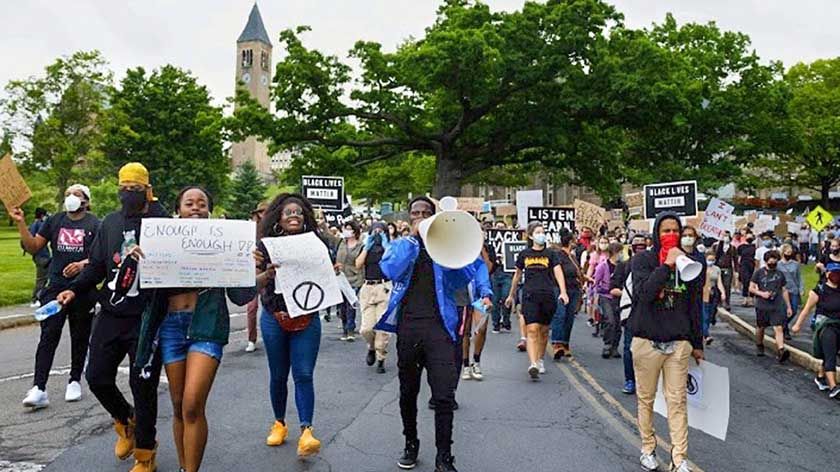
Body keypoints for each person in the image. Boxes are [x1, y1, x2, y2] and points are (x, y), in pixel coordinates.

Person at [134, 187, 256, 472]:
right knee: (178, 406)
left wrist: (247, 267)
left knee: (191, 404)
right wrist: (136, 261)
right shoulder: (159, 242)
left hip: (206, 326)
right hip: (171, 327)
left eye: (202, 204)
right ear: (178, 211)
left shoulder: (223, 242)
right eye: (189, 203)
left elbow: (240, 297)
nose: (196, 208)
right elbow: (139, 290)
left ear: (210, 211)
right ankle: (183, 466)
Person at [56, 163, 167, 472]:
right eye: (124, 188)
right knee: (97, 376)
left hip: (147, 315)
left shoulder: (161, 223)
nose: (127, 194)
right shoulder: (109, 223)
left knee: (142, 384)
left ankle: (146, 453)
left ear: (147, 190)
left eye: (135, 189)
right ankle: (126, 420)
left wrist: (155, 210)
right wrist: (74, 290)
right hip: (113, 312)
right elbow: (97, 267)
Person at [375, 196, 492, 472]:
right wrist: (414, 239)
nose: (421, 216)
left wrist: (482, 290)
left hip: (440, 329)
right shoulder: (404, 245)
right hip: (409, 327)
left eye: (426, 212)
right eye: (416, 213)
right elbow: (389, 268)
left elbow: (468, 272)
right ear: (410, 217)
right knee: (408, 392)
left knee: (443, 395)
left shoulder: (447, 248)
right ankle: (411, 443)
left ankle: (444, 456)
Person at [12, 185, 99, 409]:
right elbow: (33, 246)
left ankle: (74, 381)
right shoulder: (54, 221)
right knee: (49, 335)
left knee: (80, 335)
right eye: (68, 193)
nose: (71, 197)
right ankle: (39, 388)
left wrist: (82, 265)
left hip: (83, 288)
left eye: (77, 195)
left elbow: (102, 258)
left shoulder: (95, 224)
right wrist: (21, 222)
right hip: (55, 287)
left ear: (86, 201)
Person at [629, 212, 703, 472]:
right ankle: (648, 448)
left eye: (675, 230)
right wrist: (666, 267)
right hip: (647, 340)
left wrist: (697, 342)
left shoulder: (691, 262)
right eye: (665, 230)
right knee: (646, 399)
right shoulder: (642, 260)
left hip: (678, 342)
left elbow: (694, 306)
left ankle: (679, 458)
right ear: (656, 234)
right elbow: (644, 294)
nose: (670, 235)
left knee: (677, 400)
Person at [255, 193, 325, 457]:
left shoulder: (317, 243)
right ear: (278, 219)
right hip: (275, 317)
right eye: (288, 213)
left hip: (307, 319)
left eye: (298, 212)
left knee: (304, 374)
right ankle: (279, 423)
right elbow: (252, 282)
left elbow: (326, 277)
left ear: (305, 216)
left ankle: (306, 430)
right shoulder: (264, 247)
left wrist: (335, 270)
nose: (294, 216)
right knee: (278, 375)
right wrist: (265, 273)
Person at [505, 222, 570, 379]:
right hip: (529, 296)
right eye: (538, 232)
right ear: (531, 236)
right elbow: (517, 275)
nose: (541, 234)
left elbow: (558, 272)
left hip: (547, 295)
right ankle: (533, 363)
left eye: (543, 231)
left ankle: (540, 359)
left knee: (544, 330)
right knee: (532, 329)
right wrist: (511, 295)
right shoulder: (524, 254)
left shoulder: (551, 254)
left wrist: (563, 292)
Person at [791, 261, 840, 398]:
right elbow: (806, 310)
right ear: (828, 274)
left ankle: (821, 377)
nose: (837, 276)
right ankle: (833, 387)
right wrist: (798, 325)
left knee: (831, 352)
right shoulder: (819, 290)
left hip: (839, 325)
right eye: (834, 273)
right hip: (826, 326)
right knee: (830, 355)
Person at [610, 235, 648, 395]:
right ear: (631, 247)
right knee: (629, 348)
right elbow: (613, 289)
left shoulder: (652, 266)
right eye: (637, 245)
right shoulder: (624, 267)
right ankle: (630, 380)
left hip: (648, 312)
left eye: (643, 246)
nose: (640, 248)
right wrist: (628, 293)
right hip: (630, 312)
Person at [356, 221, 392, 373]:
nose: (377, 234)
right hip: (368, 287)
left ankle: (381, 357)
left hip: (383, 287)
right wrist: (367, 246)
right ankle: (371, 346)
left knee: (382, 326)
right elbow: (358, 264)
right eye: (374, 231)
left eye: (380, 231)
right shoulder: (367, 247)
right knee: (366, 328)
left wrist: (385, 244)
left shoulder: (390, 248)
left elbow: (391, 262)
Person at [460, 242, 495, 381]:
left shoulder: (477, 259)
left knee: (482, 327)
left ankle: (476, 361)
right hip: (462, 296)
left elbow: (484, 276)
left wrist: (486, 295)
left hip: (478, 296)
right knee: (465, 331)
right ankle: (466, 365)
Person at [749, 250, 793, 362]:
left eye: (775, 261)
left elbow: (784, 290)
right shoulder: (758, 273)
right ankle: (759, 344)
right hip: (762, 305)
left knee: (778, 327)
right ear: (766, 261)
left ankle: (781, 350)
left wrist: (788, 306)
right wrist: (761, 294)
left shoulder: (779, 274)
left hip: (776, 304)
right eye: (771, 261)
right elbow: (751, 288)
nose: (773, 263)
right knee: (761, 327)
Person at [550, 230, 583, 359]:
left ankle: (565, 344)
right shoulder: (558, 255)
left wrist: (585, 278)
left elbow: (576, 271)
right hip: (560, 288)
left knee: (569, 317)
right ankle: (557, 344)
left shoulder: (572, 257)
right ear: (570, 242)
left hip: (573, 289)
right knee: (560, 314)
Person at [335, 220, 364, 342]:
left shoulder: (361, 245)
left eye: (349, 228)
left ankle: (350, 329)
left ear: (355, 231)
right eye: (345, 228)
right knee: (342, 305)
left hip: (354, 278)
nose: (346, 231)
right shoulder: (341, 242)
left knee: (350, 304)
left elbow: (360, 263)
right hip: (340, 277)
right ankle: (344, 328)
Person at [245, 202, 268, 352]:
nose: (264, 214)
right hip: (252, 270)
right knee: (251, 307)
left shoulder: (274, 228)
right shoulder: (250, 230)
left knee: (269, 305)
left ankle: (270, 335)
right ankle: (251, 339)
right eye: (261, 212)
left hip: (268, 271)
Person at [596, 242, 623, 359]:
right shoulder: (603, 266)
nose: (622, 255)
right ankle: (607, 344)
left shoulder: (622, 266)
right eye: (620, 252)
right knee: (610, 320)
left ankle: (615, 346)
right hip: (606, 296)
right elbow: (596, 281)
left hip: (619, 297)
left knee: (618, 323)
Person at [27, 207, 51, 307]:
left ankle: (40, 296)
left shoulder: (32, 224)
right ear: (42, 215)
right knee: (42, 278)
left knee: (43, 277)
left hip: (37, 255)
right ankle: (36, 298)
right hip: (42, 255)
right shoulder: (40, 225)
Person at [777, 243, 802, 340]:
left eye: (790, 252)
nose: (789, 254)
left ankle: (782, 324)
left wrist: (801, 288)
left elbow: (799, 277)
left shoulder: (795, 264)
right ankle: (785, 330)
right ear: (783, 253)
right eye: (787, 252)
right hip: (782, 290)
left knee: (794, 310)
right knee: (784, 310)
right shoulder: (778, 265)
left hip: (794, 289)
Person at [702, 250, 726, 345]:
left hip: (713, 293)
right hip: (704, 293)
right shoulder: (702, 269)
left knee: (711, 314)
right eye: (709, 259)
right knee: (705, 314)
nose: (711, 261)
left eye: (713, 259)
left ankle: (705, 331)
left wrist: (723, 293)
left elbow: (719, 282)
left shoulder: (717, 269)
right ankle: (706, 334)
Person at [714, 232, 736, 311]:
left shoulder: (732, 248)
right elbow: (716, 255)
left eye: (727, 236)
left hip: (728, 269)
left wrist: (736, 270)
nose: (725, 237)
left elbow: (735, 259)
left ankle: (726, 302)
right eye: (724, 236)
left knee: (727, 285)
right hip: (718, 268)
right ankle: (718, 302)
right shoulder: (717, 246)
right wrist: (721, 241)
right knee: (718, 286)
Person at [737, 234, 757, 307]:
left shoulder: (755, 247)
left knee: (752, 282)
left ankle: (751, 299)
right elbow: (739, 257)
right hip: (744, 266)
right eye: (748, 237)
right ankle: (745, 298)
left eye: (751, 237)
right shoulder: (741, 247)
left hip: (752, 265)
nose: (749, 238)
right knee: (745, 281)